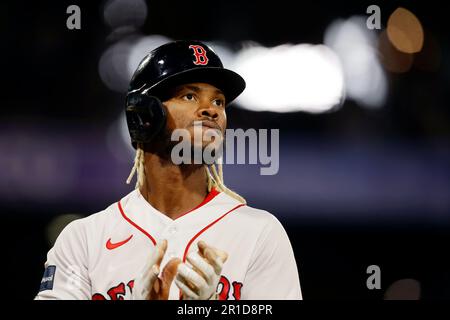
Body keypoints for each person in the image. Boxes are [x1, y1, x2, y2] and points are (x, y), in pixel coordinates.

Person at [35, 40, 302, 300]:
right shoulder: (84, 239)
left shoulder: (260, 233)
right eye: (190, 95)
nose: (211, 111)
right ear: (144, 114)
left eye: (219, 102)